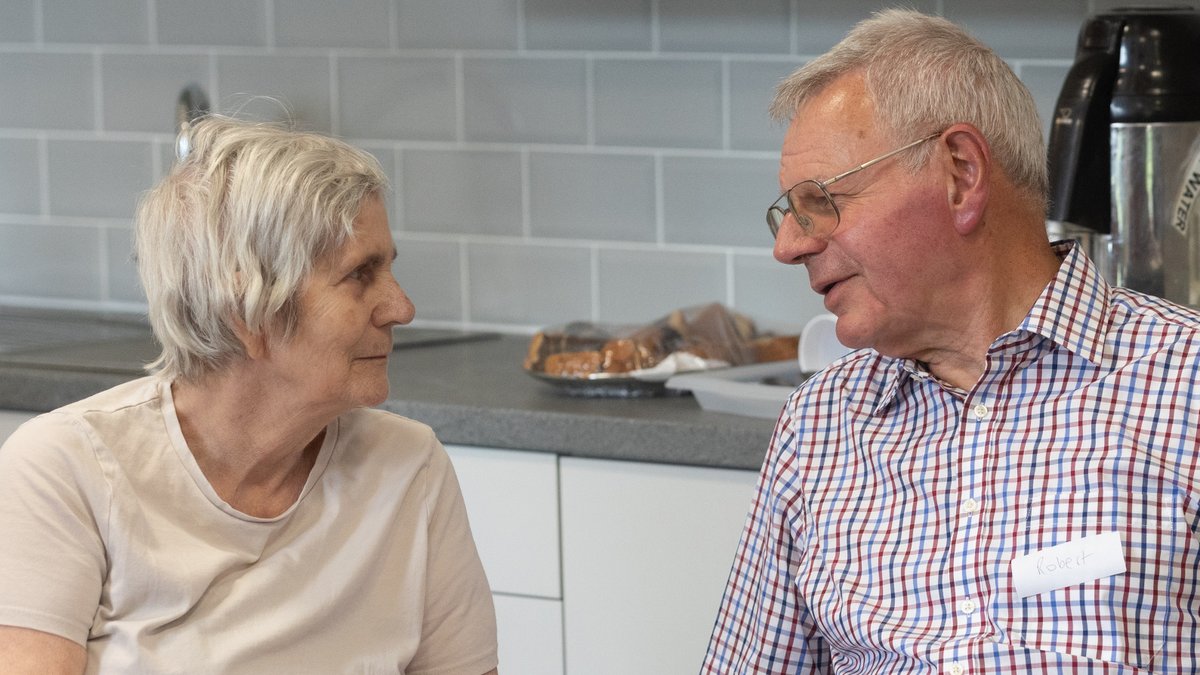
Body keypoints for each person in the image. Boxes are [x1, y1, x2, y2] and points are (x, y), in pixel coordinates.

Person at [703, 8, 1200, 674]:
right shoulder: (819, 427)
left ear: (961, 173)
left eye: (819, 200)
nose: (789, 245)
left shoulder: (1185, 387)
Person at [0, 116, 499, 674]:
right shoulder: (66, 468)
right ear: (247, 312)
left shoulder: (409, 467)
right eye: (360, 275)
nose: (401, 308)